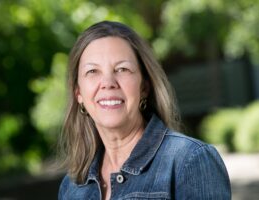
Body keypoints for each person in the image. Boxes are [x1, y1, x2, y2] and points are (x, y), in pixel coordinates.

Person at [58, 21, 231, 200]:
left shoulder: (189, 161)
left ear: (144, 87)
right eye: (93, 71)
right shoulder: (72, 187)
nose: (108, 83)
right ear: (78, 93)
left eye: (122, 69)